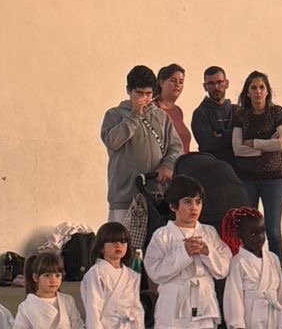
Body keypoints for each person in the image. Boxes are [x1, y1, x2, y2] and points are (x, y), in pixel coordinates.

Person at [145, 176, 231, 329]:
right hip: (174, 303)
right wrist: (182, 253)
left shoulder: (208, 232)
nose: (194, 207)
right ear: (174, 206)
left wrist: (208, 253)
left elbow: (223, 269)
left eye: (198, 202)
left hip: (203, 302)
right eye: (187, 202)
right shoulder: (162, 235)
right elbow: (155, 272)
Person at [101, 65, 181, 223]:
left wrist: (168, 165)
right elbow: (112, 141)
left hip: (157, 196)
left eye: (148, 94)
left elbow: (176, 147)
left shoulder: (161, 117)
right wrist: (134, 116)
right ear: (128, 90)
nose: (144, 98)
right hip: (125, 198)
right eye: (139, 93)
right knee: (123, 244)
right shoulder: (114, 115)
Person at [229, 71, 282, 259]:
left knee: (272, 230)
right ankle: (252, 268)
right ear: (247, 92)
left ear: (267, 91)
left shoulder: (277, 112)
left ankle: (276, 272)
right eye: (253, 88)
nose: (257, 91)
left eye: (261, 87)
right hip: (247, 179)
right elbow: (237, 149)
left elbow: (281, 144)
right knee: (249, 230)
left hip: (273, 180)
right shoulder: (240, 114)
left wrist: (254, 143)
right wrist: (266, 146)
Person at [219, 208, 282, 329]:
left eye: (262, 232)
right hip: (249, 316)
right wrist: (239, 328)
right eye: (253, 234)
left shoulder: (273, 259)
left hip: (269, 314)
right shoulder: (238, 262)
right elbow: (233, 297)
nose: (260, 238)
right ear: (240, 236)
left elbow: (280, 292)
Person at [81, 223, 146, 329]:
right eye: (113, 242)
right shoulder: (96, 273)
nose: (119, 245)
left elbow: (136, 308)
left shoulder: (131, 275)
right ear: (102, 247)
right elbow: (93, 307)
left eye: (123, 242)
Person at [191, 64, 237, 164]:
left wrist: (221, 134)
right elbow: (207, 145)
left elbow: (247, 138)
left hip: (240, 171)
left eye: (219, 82)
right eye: (211, 83)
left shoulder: (237, 110)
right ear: (205, 86)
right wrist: (235, 135)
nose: (216, 87)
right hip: (213, 170)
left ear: (227, 83)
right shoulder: (200, 114)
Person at [155, 62, 193, 154]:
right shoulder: (153, 109)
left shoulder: (178, 111)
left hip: (183, 164)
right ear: (161, 82)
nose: (177, 85)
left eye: (181, 82)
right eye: (173, 80)